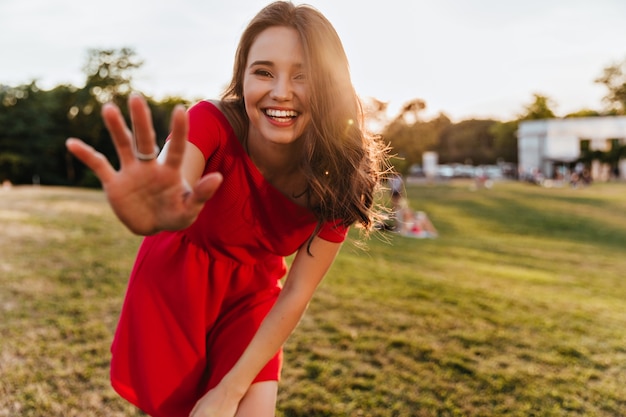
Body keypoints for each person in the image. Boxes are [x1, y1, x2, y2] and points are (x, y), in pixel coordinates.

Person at [65, 2, 388, 417]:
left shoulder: (341, 175)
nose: (281, 91)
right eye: (263, 71)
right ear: (243, 77)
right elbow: (175, 183)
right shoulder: (210, 123)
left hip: (253, 298)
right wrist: (159, 207)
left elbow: (297, 292)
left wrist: (230, 390)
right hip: (175, 286)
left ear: (330, 84)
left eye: (302, 75)